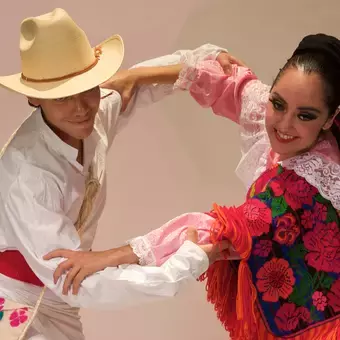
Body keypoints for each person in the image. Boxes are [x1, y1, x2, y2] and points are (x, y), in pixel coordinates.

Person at [51, 33, 340, 339]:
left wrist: (106, 257)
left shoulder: (309, 181)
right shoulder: (280, 113)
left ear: (330, 118)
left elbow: (215, 228)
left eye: (305, 115)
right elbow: (227, 82)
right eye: (278, 104)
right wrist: (133, 77)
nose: (284, 124)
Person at [0, 7, 234, 340]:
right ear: (34, 98)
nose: (81, 107)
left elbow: (139, 83)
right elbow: (78, 282)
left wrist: (206, 58)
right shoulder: (28, 177)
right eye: (63, 97)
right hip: (20, 305)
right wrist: (182, 266)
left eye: (89, 87)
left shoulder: (93, 112)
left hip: (62, 302)